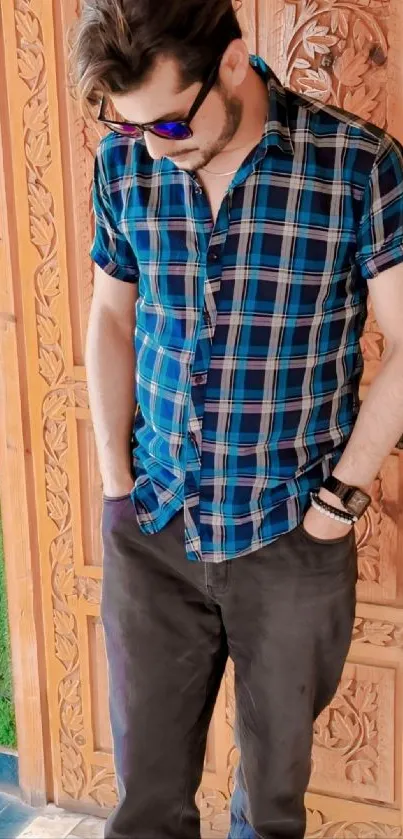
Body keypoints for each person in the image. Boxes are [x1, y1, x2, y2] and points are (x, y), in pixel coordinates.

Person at [72, 1, 403, 836]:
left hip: (289, 538)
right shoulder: (127, 163)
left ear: (231, 63)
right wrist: (117, 484)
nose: (154, 144)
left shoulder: (357, 166)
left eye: (171, 122)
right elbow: (112, 318)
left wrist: (339, 499)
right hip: (152, 526)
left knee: (270, 808)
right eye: (130, 123)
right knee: (144, 805)